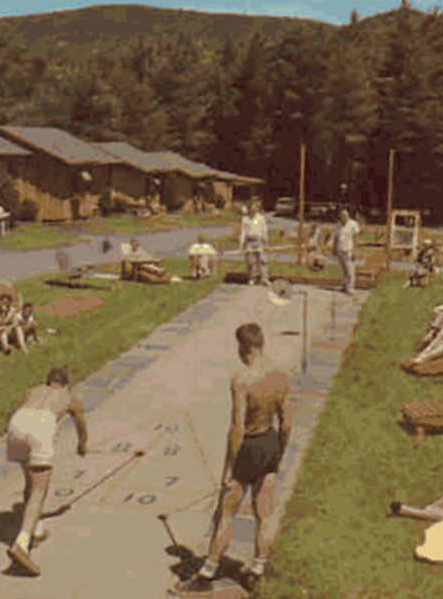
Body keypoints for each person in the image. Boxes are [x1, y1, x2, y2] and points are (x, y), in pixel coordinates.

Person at [174, 323, 292, 594]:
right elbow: (287, 423)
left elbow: (237, 427)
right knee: (265, 514)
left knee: (226, 512)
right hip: (270, 442)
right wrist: (279, 451)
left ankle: (207, 573)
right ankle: (257, 570)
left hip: (249, 446)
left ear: (244, 347)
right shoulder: (281, 375)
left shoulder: (242, 379)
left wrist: (228, 468)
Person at [5, 367, 88, 577]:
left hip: (17, 423)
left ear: (48, 381)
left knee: (30, 482)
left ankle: (37, 530)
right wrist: (82, 445)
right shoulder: (68, 396)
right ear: (67, 384)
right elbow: (81, 424)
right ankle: (21, 545)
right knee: (39, 491)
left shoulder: (32, 390)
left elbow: (22, 408)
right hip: (40, 425)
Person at [239, 200, 270, 286]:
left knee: (263, 260)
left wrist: (266, 242)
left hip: (259, 241)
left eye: (256, 207)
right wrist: (241, 243)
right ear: (249, 208)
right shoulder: (245, 219)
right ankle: (252, 278)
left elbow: (264, 230)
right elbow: (243, 232)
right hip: (249, 242)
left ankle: (264, 278)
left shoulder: (261, 218)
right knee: (250, 261)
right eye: (252, 207)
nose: (254, 209)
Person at [333, 208, 361, 294]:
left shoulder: (353, 224)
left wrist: (354, 250)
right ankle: (344, 285)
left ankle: (350, 287)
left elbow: (356, 238)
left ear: (348, 215)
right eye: (342, 215)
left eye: (345, 215)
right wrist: (334, 248)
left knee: (350, 269)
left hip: (349, 249)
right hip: (339, 249)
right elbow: (336, 237)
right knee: (341, 269)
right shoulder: (338, 225)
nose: (344, 217)